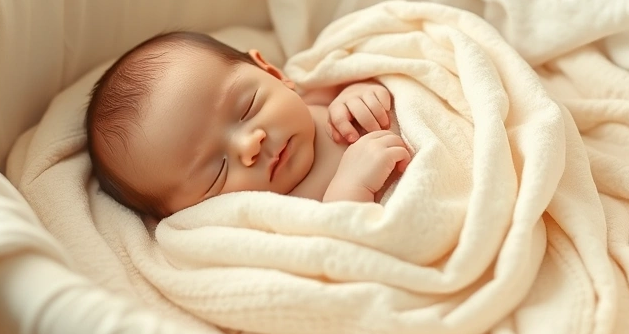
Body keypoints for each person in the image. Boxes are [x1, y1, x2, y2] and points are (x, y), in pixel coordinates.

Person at [85, 31, 411, 218]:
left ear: (272, 74)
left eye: (248, 108)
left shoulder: (323, 95)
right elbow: (331, 256)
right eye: (217, 171)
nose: (249, 145)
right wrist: (352, 189)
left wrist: (361, 91)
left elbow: (386, 69)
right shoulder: (274, 217)